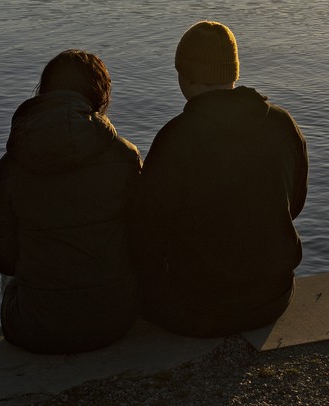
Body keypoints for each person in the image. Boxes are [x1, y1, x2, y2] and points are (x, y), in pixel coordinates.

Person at [132, 20, 308, 337]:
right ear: (233, 72)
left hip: (198, 308)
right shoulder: (282, 124)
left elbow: (148, 231)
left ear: (184, 75)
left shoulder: (175, 139)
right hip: (272, 297)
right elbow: (294, 205)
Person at [0, 50, 142, 354]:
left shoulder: (8, 169)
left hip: (33, 330)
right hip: (114, 321)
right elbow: (141, 236)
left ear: (44, 93)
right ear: (99, 95)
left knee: (18, 238)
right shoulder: (126, 156)